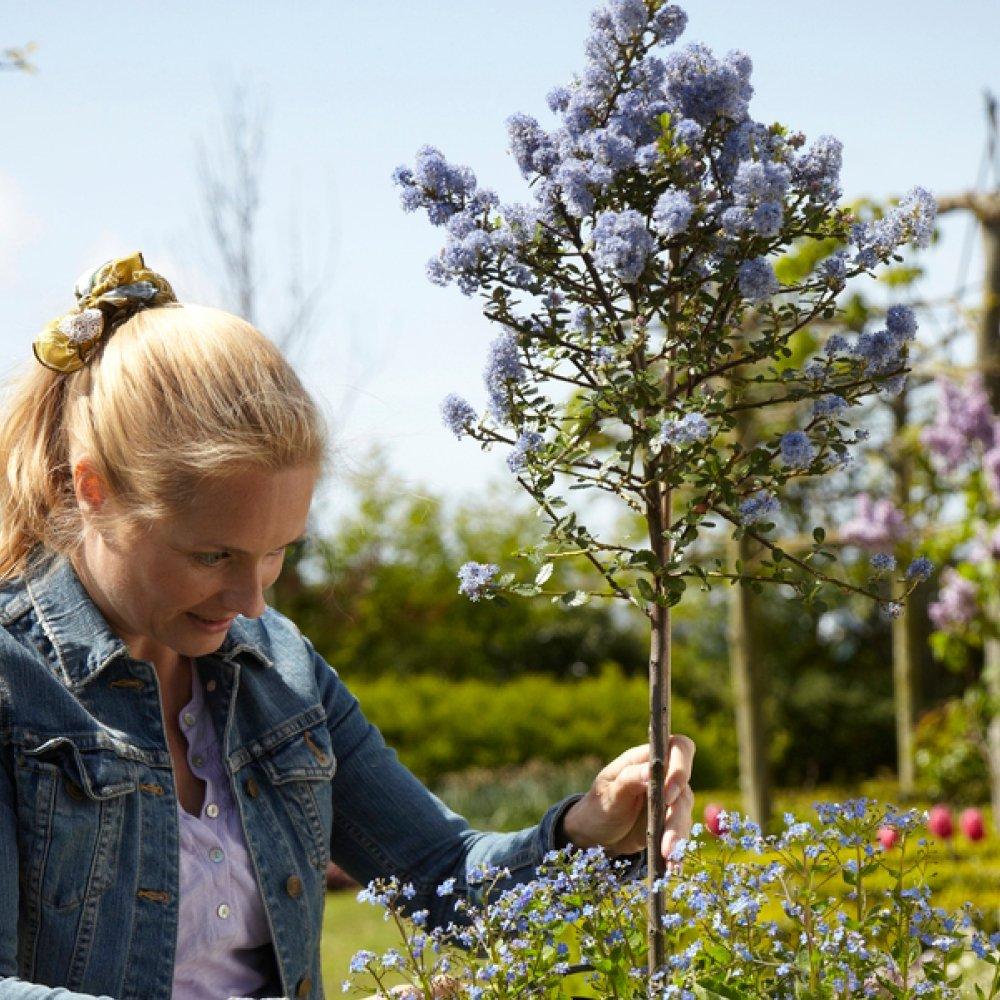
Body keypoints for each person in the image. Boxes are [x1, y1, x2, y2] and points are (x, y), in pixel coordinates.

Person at [0, 254, 696, 1000]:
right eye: (212, 555)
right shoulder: (15, 685)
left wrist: (583, 835)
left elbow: (441, 878)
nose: (251, 600)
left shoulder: (282, 672)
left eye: (275, 554)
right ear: (93, 489)